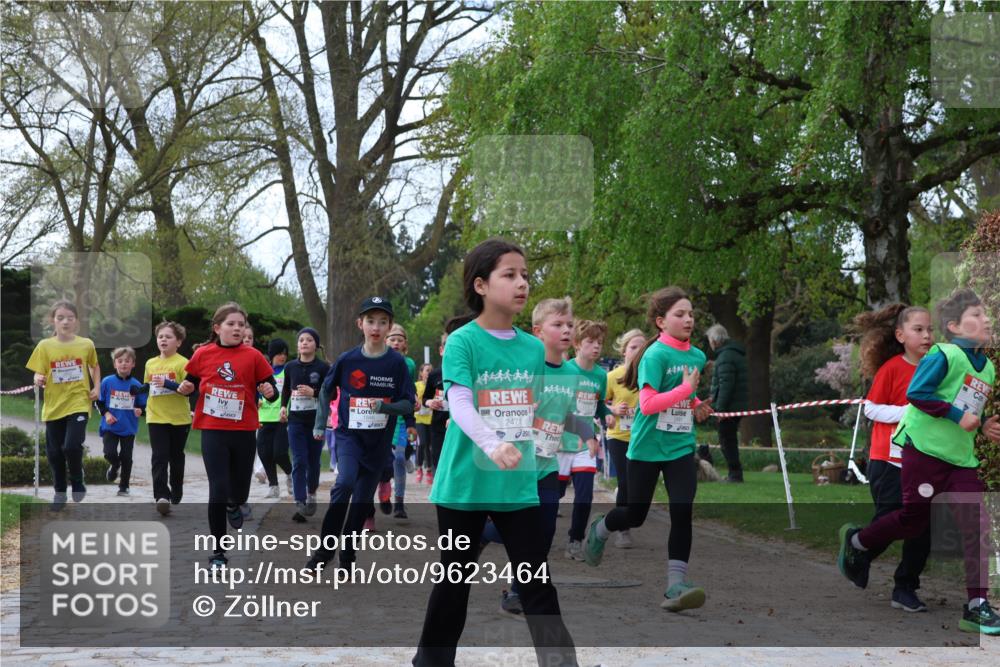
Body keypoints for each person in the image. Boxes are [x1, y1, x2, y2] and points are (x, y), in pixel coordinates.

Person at [412, 238, 577, 667]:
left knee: (536, 581)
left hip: (516, 483)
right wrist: (492, 442)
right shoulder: (464, 341)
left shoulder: (532, 347)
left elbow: (534, 409)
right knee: (454, 581)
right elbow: (461, 403)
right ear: (481, 284)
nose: (522, 283)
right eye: (510, 275)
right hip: (464, 482)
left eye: (525, 275)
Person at [838, 288, 1000, 634]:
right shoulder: (942, 354)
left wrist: (983, 424)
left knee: (978, 524)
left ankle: (977, 605)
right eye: (977, 315)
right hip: (922, 451)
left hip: (960, 459)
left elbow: (971, 407)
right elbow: (918, 394)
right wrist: (957, 416)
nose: (986, 320)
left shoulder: (987, 368)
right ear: (955, 327)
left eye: (986, 315)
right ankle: (857, 542)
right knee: (914, 521)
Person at [583, 287, 714, 612]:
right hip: (646, 447)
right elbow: (649, 403)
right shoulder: (655, 356)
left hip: (681, 446)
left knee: (682, 511)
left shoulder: (697, 356)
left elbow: (681, 396)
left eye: (691, 314)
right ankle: (600, 529)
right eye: (680, 314)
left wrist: (696, 404)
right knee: (636, 515)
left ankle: (675, 586)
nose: (688, 319)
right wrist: (686, 390)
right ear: (661, 321)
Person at [481, 297, 597, 618]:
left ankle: (517, 591)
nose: (566, 330)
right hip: (517, 463)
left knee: (544, 531)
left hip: (546, 464)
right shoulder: (527, 369)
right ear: (537, 332)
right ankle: (483, 534)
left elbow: (563, 416)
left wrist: (587, 432)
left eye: (569, 325)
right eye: (557, 325)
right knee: (517, 530)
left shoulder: (573, 373)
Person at [307, 296, 415, 569]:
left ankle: (348, 554)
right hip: (349, 436)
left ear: (389, 326)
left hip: (379, 441)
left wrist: (384, 407)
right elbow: (325, 391)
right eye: (370, 321)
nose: (376, 327)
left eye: (382, 322)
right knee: (344, 483)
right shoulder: (348, 359)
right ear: (360, 324)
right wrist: (321, 423)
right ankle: (324, 551)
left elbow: (407, 403)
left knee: (363, 499)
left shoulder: (396, 364)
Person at [182, 303, 278, 568]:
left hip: (244, 430)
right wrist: (187, 387)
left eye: (241, 324)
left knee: (239, 491)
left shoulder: (253, 356)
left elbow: (271, 388)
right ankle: (218, 553)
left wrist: (271, 392)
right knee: (218, 489)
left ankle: (235, 503)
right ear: (217, 328)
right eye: (231, 324)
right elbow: (190, 382)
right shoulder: (203, 354)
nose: (237, 328)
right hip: (213, 430)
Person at [854, 303, 933, 613]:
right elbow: (871, 408)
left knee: (923, 527)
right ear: (900, 335)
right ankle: (858, 548)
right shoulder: (892, 369)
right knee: (891, 520)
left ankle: (905, 588)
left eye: (929, 330)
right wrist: (907, 412)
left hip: (925, 460)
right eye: (918, 330)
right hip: (888, 460)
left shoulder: (937, 369)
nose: (926, 336)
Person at [27, 301, 101, 509]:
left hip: (78, 402)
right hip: (54, 406)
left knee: (71, 445)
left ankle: (77, 480)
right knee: (54, 453)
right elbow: (37, 372)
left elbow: (94, 367)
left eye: (70, 317)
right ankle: (60, 493)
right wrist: (38, 379)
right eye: (60, 318)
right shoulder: (44, 346)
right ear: (53, 320)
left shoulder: (86, 344)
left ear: (76, 321)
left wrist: (97, 387)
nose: (65, 321)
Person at [560, 319, 611, 561]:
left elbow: (599, 404)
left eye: (600, 342)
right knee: (554, 494)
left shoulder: (601, 375)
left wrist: (607, 415)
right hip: (560, 443)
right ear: (577, 344)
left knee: (584, 495)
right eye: (590, 342)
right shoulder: (565, 370)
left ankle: (575, 540)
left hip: (586, 446)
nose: (596, 347)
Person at [141, 321, 194, 515]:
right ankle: (161, 496)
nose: (163, 340)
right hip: (155, 416)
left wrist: (168, 383)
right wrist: (137, 395)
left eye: (168, 337)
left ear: (178, 342)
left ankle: (177, 486)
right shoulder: (150, 363)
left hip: (179, 418)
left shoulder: (183, 363)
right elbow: (147, 387)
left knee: (176, 456)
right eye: (160, 336)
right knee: (159, 457)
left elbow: (187, 390)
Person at [282, 328, 329, 522]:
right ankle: (299, 500)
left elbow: (330, 393)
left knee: (313, 461)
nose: (304, 343)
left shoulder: (323, 367)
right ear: (297, 345)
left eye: (309, 340)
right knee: (299, 460)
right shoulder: (290, 366)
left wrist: (314, 392)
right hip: (295, 421)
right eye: (301, 340)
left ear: (316, 345)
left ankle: (311, 493)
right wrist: (283, 407)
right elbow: (286, 388)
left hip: (316, 422)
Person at [605, 328, 645, 548]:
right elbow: (598, 402)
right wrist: (612, 410)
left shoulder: (650, 376)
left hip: (642, 437)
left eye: (642, 347)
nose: (638, 351)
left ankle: (625, 518)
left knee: (638, 484)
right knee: (625, 481)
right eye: (633, 347)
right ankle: (623, 530)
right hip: (619, 436)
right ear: (624, 351)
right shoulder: (612, 377)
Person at [96, 347, 147, 497]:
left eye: (127, 361)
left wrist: (140, 411)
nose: (123, 364)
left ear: (133, 364)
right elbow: (99, 402)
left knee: (126, 456)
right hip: (110, 425)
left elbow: (142, 405)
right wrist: (106, 414)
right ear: (115, 364)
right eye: (120, 361)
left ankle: (124, 486)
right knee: (109, 452)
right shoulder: (107, 382)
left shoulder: (137, 385)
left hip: (128, 427)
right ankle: (114, 465)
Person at [705, 324, 749, 483]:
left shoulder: (725, 357)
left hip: (730, 407)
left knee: (727, 440)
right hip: (738, 404)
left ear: (715, 341)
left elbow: (725, 385)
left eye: (710, 340)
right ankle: (735, 473)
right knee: (729, 439)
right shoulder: (735, 354)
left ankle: (735, 474)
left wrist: (720, 410)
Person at [386, 323, 418, 519]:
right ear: (385, 340)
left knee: (398, 458)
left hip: (401, 418)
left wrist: (414, 398)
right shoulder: (378, 361)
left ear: (405, 343)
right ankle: (383, 491)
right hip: (382, 416)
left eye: (400, 340)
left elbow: (410, 387)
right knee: (385, 461)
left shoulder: (410, 364)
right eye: (392, 339)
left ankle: (399, 502)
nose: (396, 343)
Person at [256, 338, 292, 499]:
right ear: (271, 355)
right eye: (279, 353)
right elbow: (255, 390)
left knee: (279, 453)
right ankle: (273, 485)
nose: (282, 357)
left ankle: (290, 474)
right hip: (263, 417)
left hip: (282, 418)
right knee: (264, 453)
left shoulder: (289, 370)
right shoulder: (264, 372)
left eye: (284, 353)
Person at [414, 363, 433, 483]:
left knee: (429, 446)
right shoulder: (417, 385)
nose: (429, 373)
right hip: (419, 419)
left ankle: (429, 470)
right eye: (427, 370)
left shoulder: (434, 385)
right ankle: (419, 468)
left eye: (431, 371)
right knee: (422, 443)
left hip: (431, 419)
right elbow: (417, 399)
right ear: (421, 373)